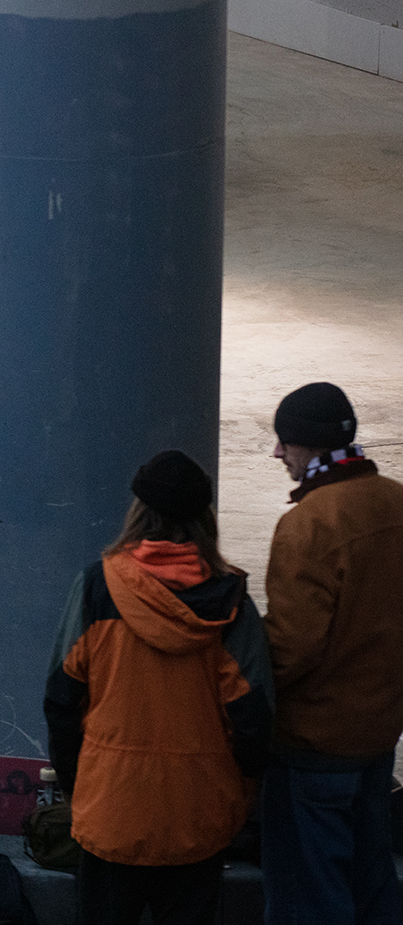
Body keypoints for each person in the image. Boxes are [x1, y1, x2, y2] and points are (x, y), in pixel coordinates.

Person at [43, 450, 273, 925]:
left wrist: (80, 789)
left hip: (111, 812)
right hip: (198, 818)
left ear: (138, 512)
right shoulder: (231, 604)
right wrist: (235, 798)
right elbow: (254, 721)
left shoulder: (96, 588)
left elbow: (61, 702)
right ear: (205, 517)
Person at [259, 382, 403, 925]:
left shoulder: (308, 525)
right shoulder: (396, 502)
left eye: (284, 442)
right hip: (378, 737)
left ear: (309, 447)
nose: (278, 454)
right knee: (372, 886)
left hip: (312, 749)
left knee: (309, 900)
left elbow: (291, 648)